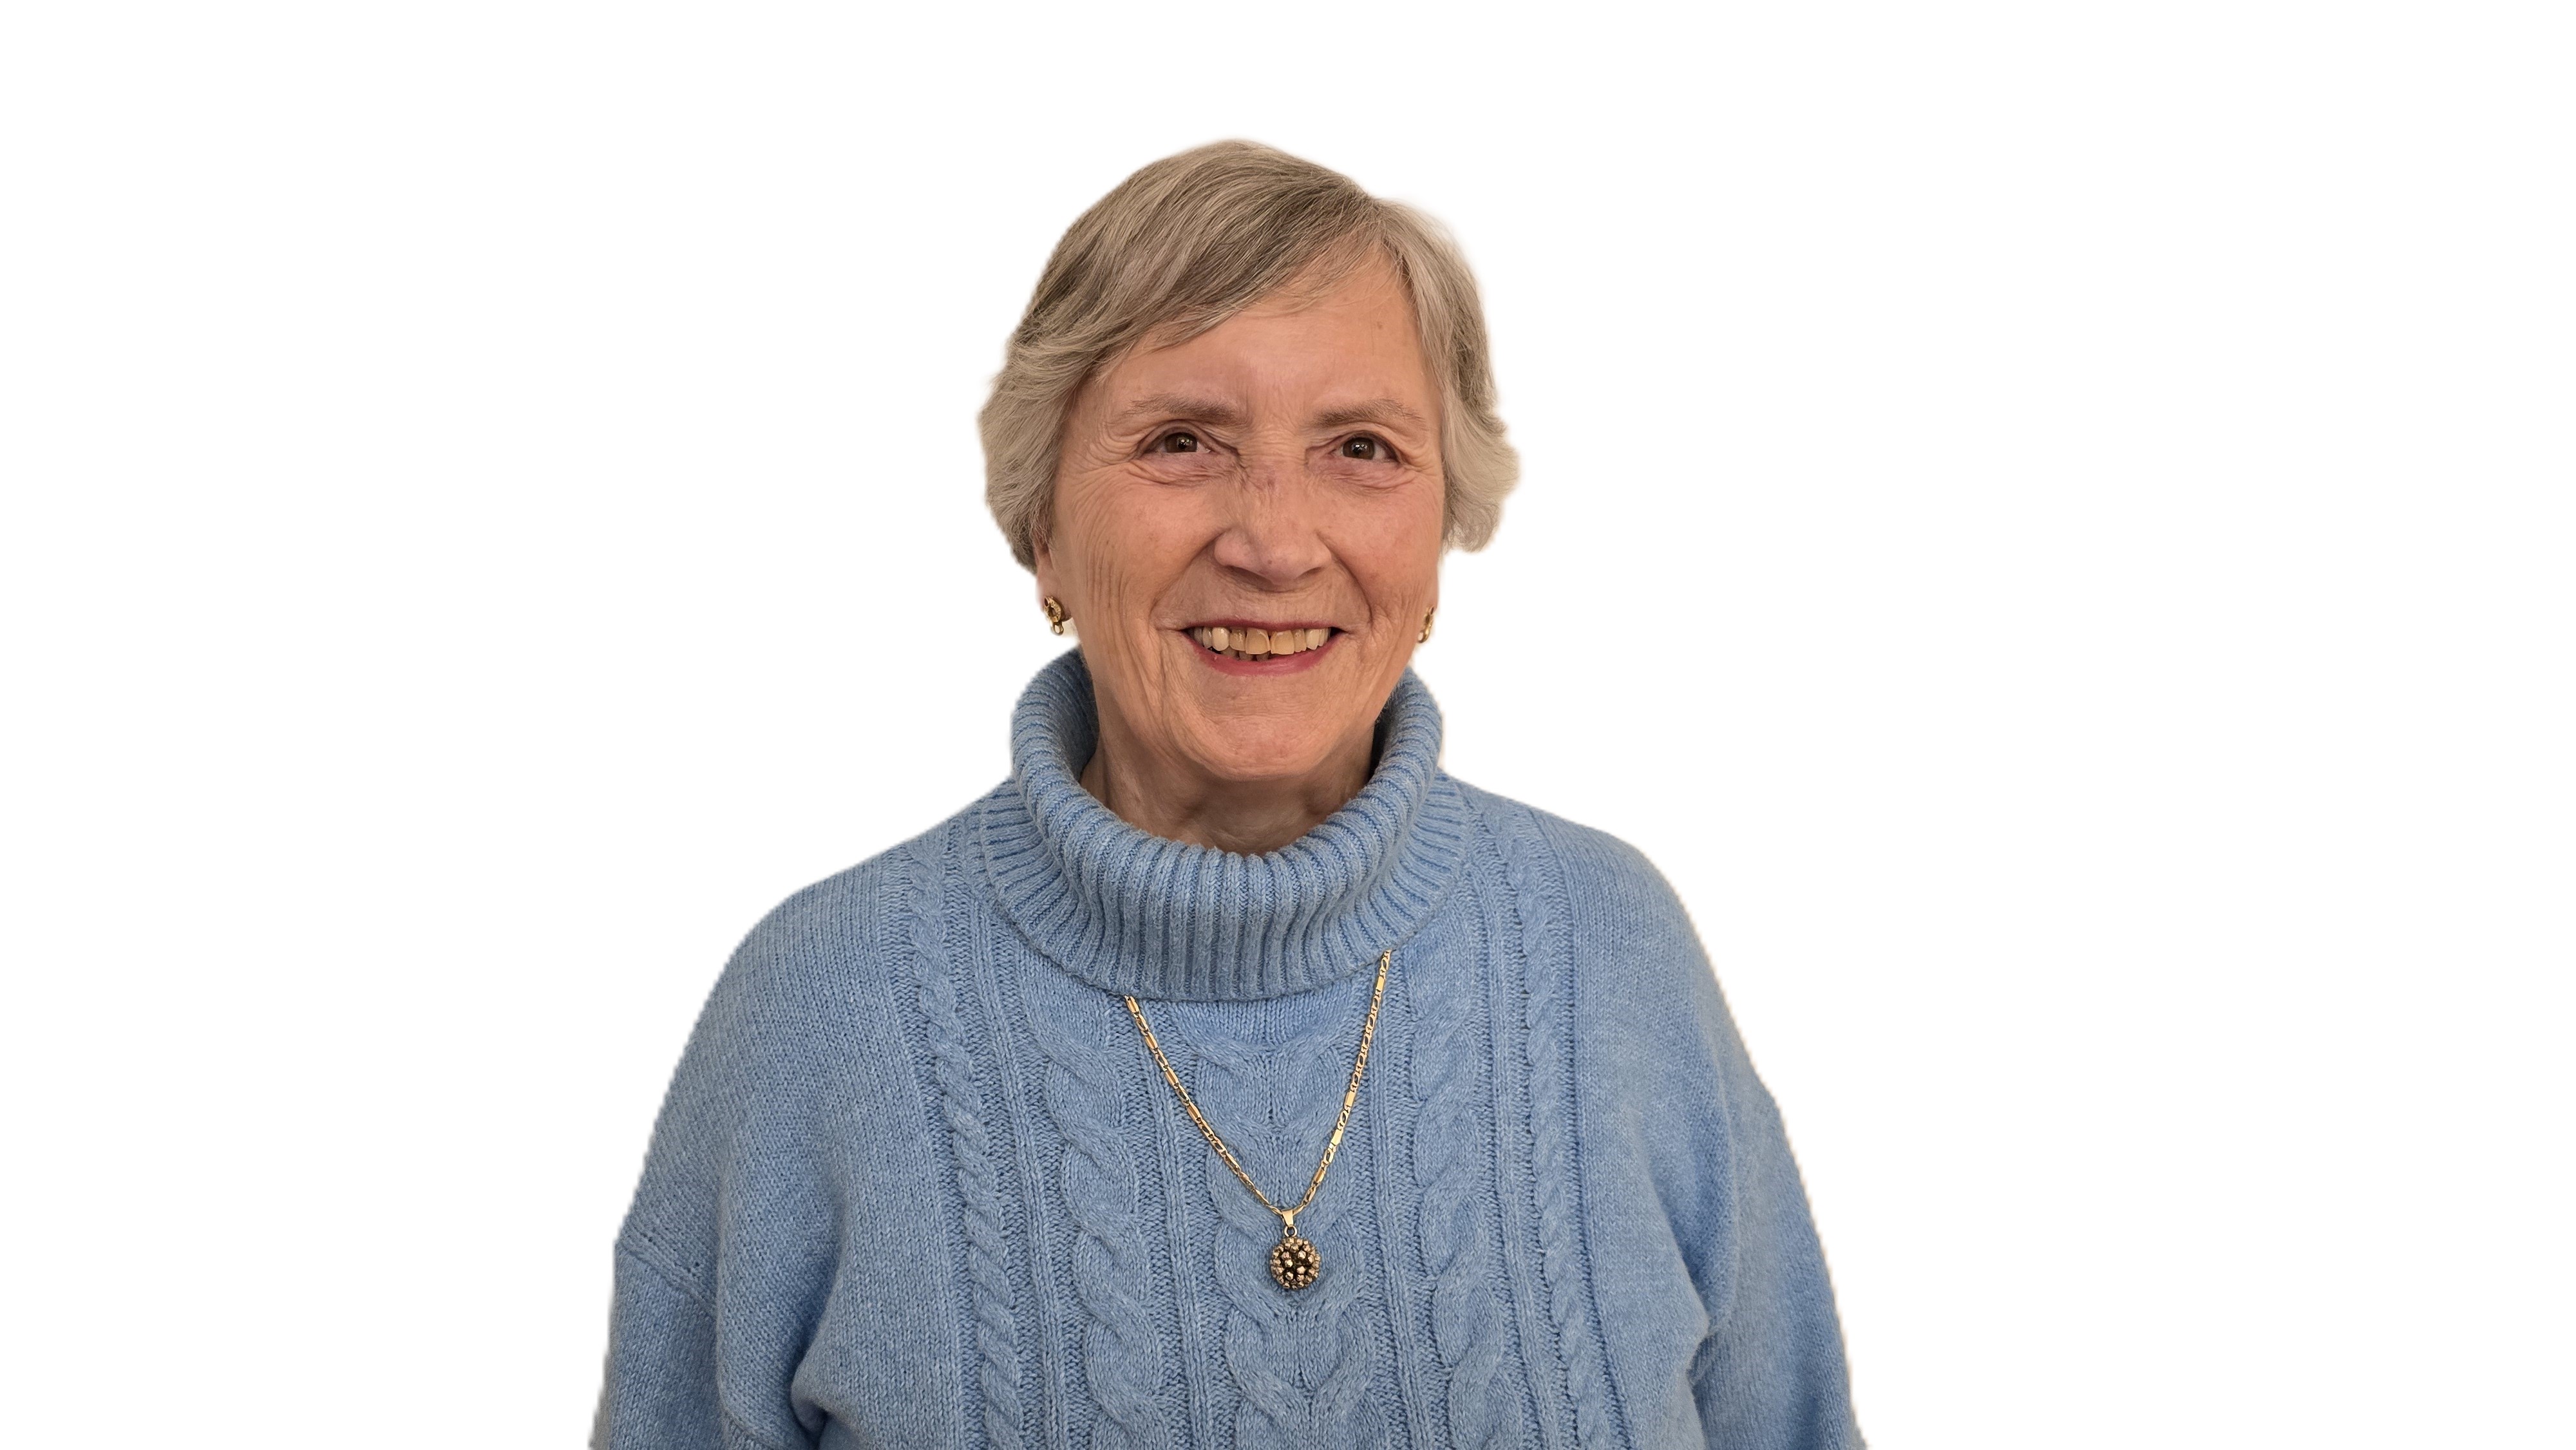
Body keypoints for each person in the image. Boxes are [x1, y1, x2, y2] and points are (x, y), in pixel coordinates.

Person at [594, 139, 1862, 1449]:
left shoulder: (1611, 948)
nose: (1273, 541)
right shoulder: (821, 1005)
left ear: (1439, 526)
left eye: (1360, 446)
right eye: (1181, 442)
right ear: (1041, 529)